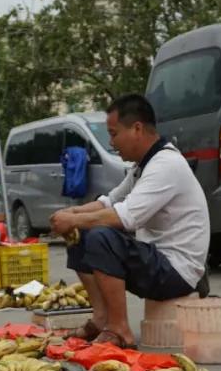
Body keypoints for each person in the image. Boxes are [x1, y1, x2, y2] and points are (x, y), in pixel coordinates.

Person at [49, 94, 209, 348]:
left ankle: (120, 328)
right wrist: (72, 216)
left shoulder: (165, 164)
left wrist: (75, 219)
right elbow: (108, 202)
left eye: (113, 134)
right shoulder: (143, 166)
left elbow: (125, 217)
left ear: (136, 129)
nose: (112, 143)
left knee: (102, 236)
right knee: (80, 235)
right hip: (157, 261)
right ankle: (101, 318)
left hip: (178, 270)